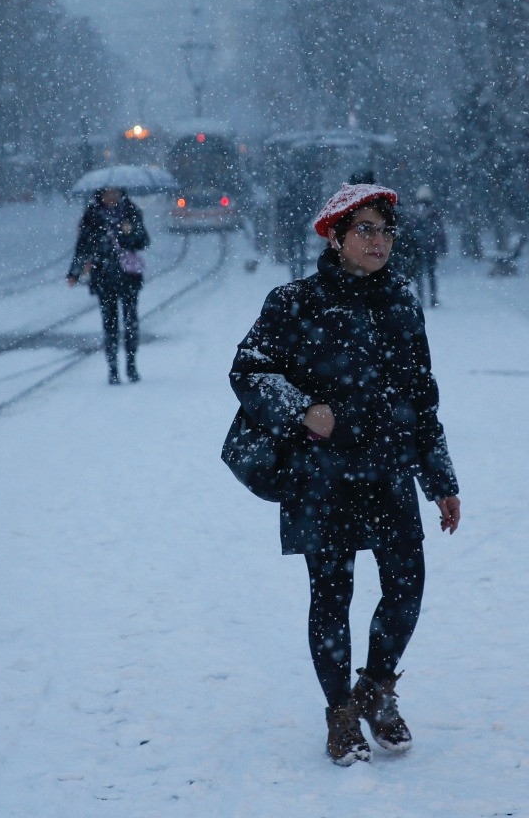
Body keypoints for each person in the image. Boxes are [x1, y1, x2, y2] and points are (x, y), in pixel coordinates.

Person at [228, 183, 461, 766]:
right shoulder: (294, 303)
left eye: (385, 230)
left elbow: (421, 397)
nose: (379, 241)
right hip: (321, 477)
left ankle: (377, 689)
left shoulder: (403, 300)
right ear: (335, 238)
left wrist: (441, 480)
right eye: (365, 230)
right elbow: (248, 370)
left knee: (407, 588)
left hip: (388, 473)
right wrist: (303, 410)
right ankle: (339, 715)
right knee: (332, 597)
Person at [69, 185, 150, 384]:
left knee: (131, 322)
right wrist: (74, 271)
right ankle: (112, 368)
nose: (111, 197)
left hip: (128, 277)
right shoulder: (92, 214)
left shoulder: (131, 212)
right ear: (100, 194)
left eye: (115, 193)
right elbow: (83, 245)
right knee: (110, 324)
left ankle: (131, 365)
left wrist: (129, 233)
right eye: (107, 193)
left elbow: (144, 242)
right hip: (103, 277)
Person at [409, 186, 447, 308]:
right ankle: (433, 298)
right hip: (431, 247)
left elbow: (409, 231)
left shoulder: (413, 212)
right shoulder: (434, 212)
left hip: (417, 248)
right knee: (431, 274)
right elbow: (440, 231)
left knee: (419, 275)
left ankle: (421, 298)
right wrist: (443, 248)